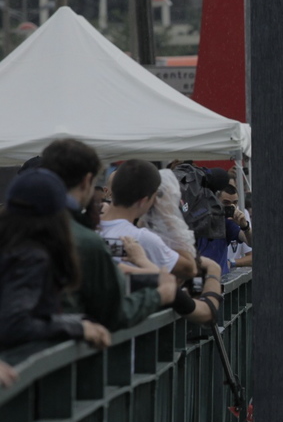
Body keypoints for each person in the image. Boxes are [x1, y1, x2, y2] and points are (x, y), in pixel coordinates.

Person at [40, 140, 176, 330]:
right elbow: (114, 313)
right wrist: (160, 294)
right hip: (63, 348)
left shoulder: (15, 224)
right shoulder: (84, 239)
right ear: (87, 181)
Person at [0, 168, 111, 349]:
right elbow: (14, 325)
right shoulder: (31, 257)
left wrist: (78, 322)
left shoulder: (12, 246)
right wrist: (77, 327)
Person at [98, 160, 196, 281]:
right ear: (144, 201)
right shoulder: (142, 239)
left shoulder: (89, 228)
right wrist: (167, 214)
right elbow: (189, 269)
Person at [195, 184, 251, 274]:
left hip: (220, 279)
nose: (231, 207)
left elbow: (251, 242)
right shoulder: (196, 218)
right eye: (226, 203)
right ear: (215, 200)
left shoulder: (228, 223)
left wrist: (245, 226)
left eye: (235, 203)